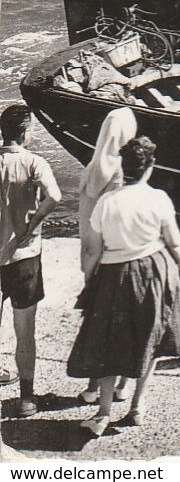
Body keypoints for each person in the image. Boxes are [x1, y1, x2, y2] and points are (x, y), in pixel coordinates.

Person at [67, 136, 180, 437]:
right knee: (151, 335)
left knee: (109, 340)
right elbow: (173, 242)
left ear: (123, 166)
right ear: (151, 166)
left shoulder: (107, 202)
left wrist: (89, 279)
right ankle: (137, 406)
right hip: (153, 268)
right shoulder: (158, 198)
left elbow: (92, 250)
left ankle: (103, 412)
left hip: (114, 273)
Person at [0, 106, 61, 418]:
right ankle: (26, 398)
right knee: (25, 331)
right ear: (24, 132)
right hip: (24, 259)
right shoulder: (34, 162)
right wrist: (32, 225)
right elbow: (55, 196)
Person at [74, 109, 138, 406]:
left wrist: (87, 268)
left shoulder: (92, 168)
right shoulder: (124, 172)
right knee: (124, 324)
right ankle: (124, 386)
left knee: (97, 325)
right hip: (120, 256)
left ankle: (92, 388)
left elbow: (87, 224)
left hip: (94, 256)